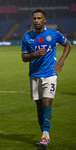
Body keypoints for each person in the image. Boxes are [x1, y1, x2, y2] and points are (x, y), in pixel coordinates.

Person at [21, 9, 71, 147]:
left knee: (47, 104)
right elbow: (24, 58)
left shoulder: (54, 34)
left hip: (50, 74)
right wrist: (34, 54)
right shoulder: (27, 37)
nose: (36, 21)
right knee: (39, 106)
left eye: (39, 18)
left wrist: (61, 60)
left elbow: (68, 45)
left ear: (44, 20)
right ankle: (45, 135)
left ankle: (44, 136)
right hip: (34, 75)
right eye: (34, 18)